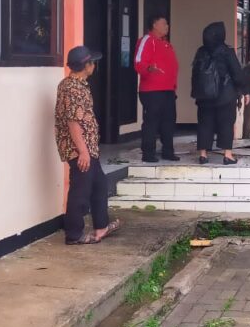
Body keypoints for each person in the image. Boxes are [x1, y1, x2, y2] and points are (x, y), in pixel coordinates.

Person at [54, 46, 121, 245]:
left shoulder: (77, 84)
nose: (94, 66)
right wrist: (83, 152)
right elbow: (73, 122)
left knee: (99, 184)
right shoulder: (72, 88)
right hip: (79, 148)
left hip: (88, 148)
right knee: (80, 191)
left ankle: (101, 227)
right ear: (86, 65)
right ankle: (74, 234)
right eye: (93, 62)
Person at [191, 22, 247, 165]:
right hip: (225, 96)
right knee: (226, 123)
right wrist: (244, 91)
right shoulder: (227, 51)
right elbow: (237, 74)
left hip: (204, 97)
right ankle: (227, 155)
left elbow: (195, 74)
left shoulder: (200, 51)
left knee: (204, 123)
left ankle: (203, 155)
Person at [134, 15, 180, 163]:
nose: (167, 26)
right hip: (152, 91)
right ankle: (148, 154)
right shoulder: (147, 40)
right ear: (154, 24)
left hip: (168, 90)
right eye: (164, 23)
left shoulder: (166, 43)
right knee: (151, 122)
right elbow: (138, 62)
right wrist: (149, 68)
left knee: (169, 121)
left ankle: (168, 151)